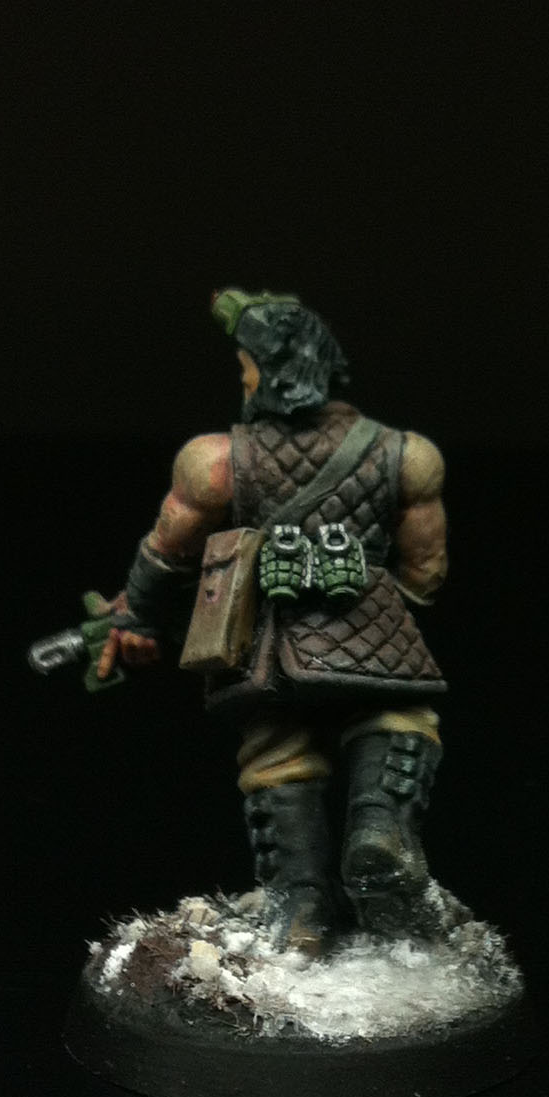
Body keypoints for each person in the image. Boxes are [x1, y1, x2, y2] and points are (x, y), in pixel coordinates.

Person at [84, 291, 451, 950]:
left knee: (277, 751)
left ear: (265, 370)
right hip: (374, 627)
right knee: (399, 716)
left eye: (245, 365)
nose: (244, 377)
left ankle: (300, 902)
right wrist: (372, 600)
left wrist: (136, 615)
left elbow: (167, 549)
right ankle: (379, 824)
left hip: (269, 641)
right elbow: (426, 572)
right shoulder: (408, 454)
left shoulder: (214, 461)